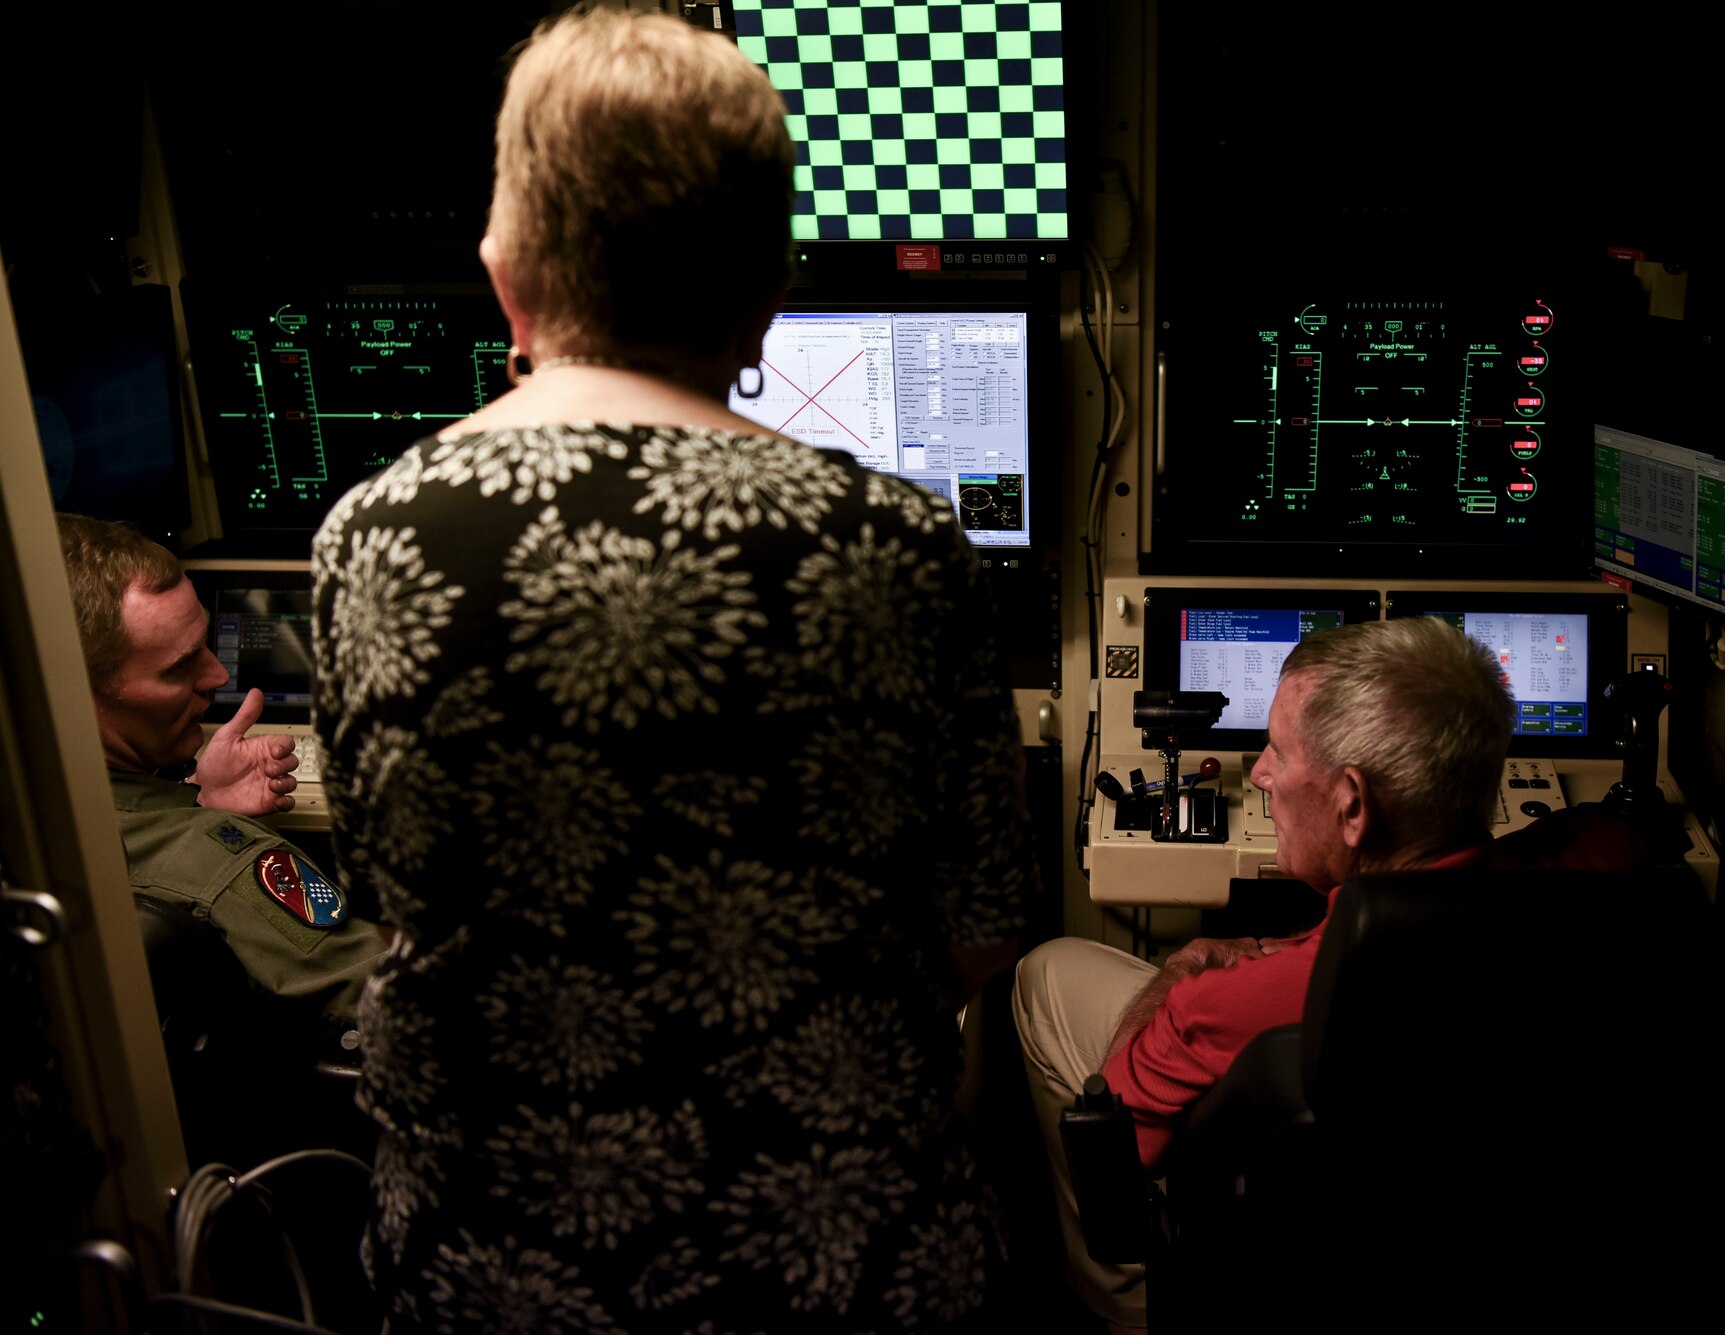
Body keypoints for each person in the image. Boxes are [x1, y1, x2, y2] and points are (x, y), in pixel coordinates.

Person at [308, 8, 1035, 1331]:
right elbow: (986, 924)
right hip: (849, 1260)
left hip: (507, 1271)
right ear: (766, 288)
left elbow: (383, 897)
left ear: (506, 269)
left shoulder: (372, 534)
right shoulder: (902, 539)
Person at [1012, 616, 1521, 1329]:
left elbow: (1116, 1137)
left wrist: (1184, 971)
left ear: (1351, 805)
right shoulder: (1597, 886)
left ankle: (1126, 1306)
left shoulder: (1229, 1004)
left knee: (1047, 972)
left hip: (1276, 1241)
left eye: (1278, 750)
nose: (1259, 772)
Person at [56, 512, 389, 1041]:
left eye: (207, 645)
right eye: (180, 666)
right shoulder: (225, 863)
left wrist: (194, 799)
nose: (216, 676)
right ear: (72, 693)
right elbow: (402, 1003)